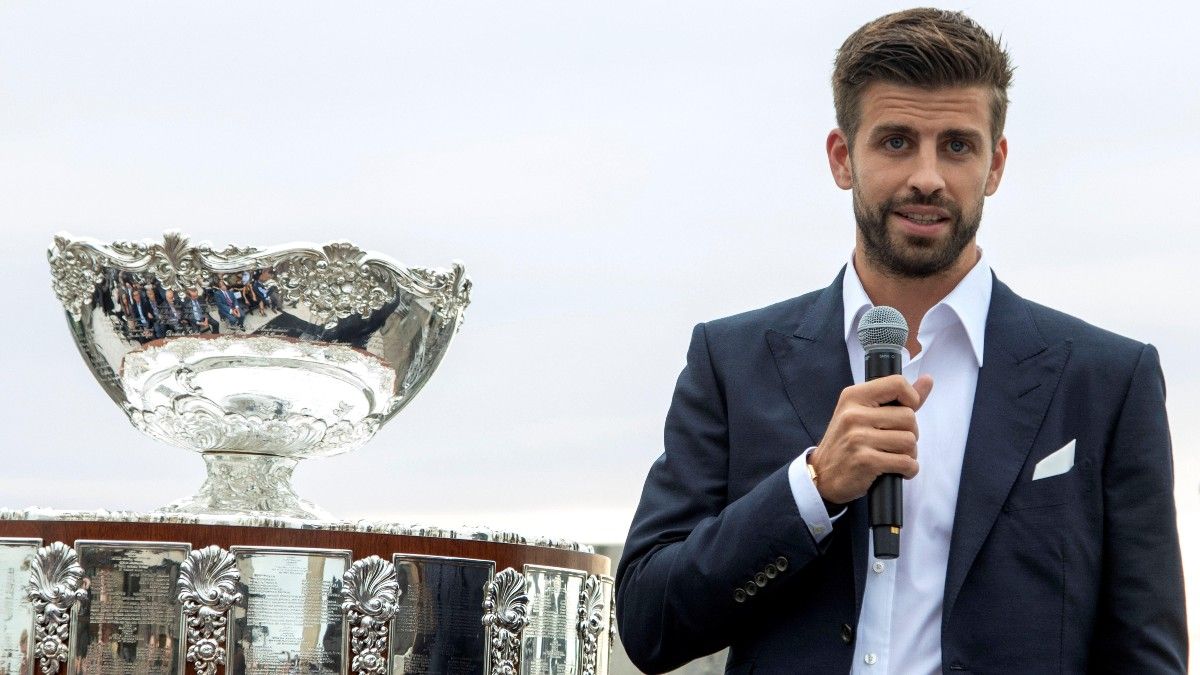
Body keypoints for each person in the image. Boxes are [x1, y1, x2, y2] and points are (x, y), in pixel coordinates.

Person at [615, 8, 1187, 674]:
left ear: (995, 164)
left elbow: (1147, 654)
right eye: (895, 142)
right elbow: (649, 622)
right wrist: (812, 489)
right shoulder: (731, 362)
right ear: (842, 157)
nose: (928, 176)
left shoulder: (1107, 383)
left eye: (957, 145)